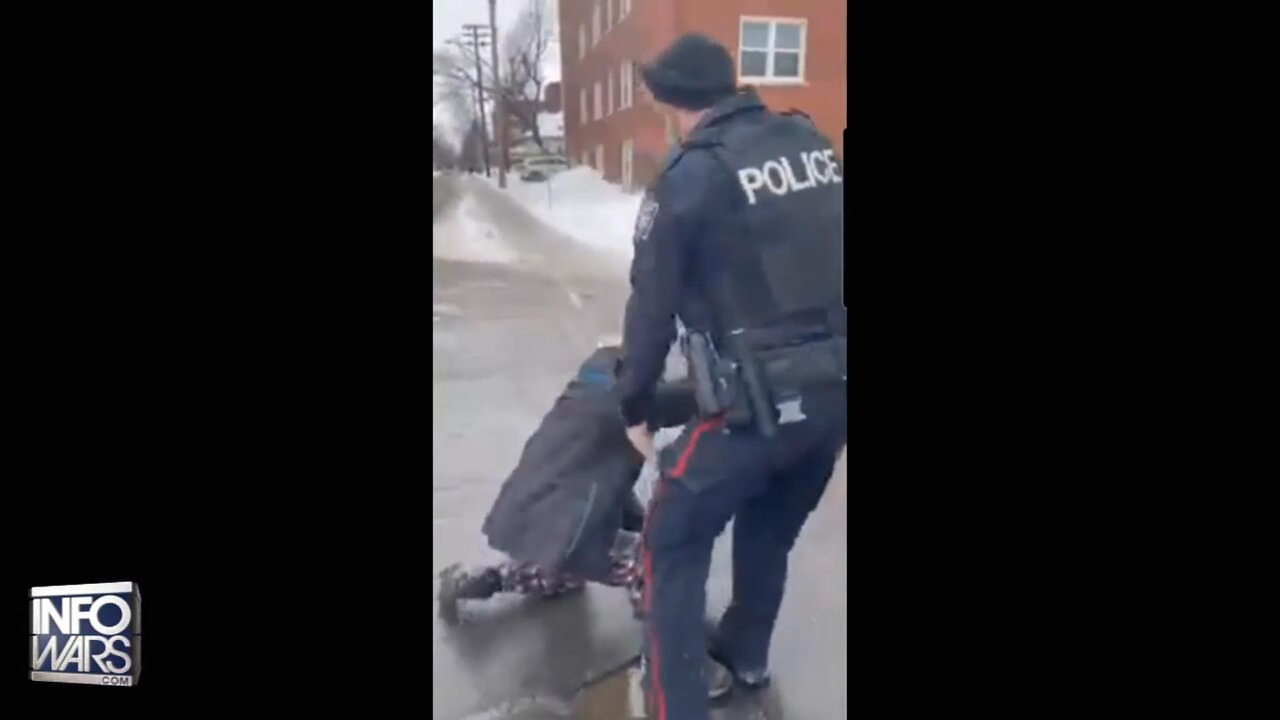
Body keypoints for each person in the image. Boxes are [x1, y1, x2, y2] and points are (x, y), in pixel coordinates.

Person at [616, 33, 847, 718]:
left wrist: (635, 405)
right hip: (832, 396)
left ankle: (673, 705)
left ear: (667, 99)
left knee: (672, 541)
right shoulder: (812, 147)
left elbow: (651, 307)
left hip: (752, 409)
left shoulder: (689, 177)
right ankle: (746, 654)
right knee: (768, 529)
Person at [437, 343, 695, 625]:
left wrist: (640, 523)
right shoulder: (630, 406)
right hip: (570, 527)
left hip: (535, 510)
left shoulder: (599, 377)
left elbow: (610, 484)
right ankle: (665, 644)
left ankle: (477, 581)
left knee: (555, 568)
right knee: (651, 562)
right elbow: (685, 401)